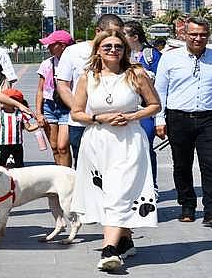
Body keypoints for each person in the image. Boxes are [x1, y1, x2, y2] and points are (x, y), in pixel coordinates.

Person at [70, 29, 160, 272]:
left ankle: (109, 249)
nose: (113, 50)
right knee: (108, 193)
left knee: (120, 192)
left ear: (125, 50)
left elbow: (154, 105)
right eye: (107, 46)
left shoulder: (136, 74)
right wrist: (99, 118)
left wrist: (132, 116)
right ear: (98, 49)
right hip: (98, 142)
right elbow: (76, 113)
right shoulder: (87, 77)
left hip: (129, 141)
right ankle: (126, 240)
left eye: (118, 46)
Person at [154, 16, 212, 226]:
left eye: (203, 34)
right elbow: (160, 91)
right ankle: (187, 206)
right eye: (194, 34)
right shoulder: (169, 58)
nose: (198, 38)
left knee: (211, 165)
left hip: (210, 118)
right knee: (182, 165)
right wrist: (159, 119)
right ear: (184, 34)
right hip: (178, 117)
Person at [56, 14, 124, 166]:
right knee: (84, 168)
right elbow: (63, 86)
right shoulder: (73, 52)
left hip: (113, 122)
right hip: (82, 124)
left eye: (119, 35)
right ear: (98, 31)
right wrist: (79, 110)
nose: (114, 39)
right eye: (110, 33)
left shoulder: (119, 52)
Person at [123, 20, 162, 186]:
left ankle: (150, 185)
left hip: (146, 109)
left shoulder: (151, 55)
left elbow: (162, 82)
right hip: (126, 107)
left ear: (135, 37)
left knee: (145, 146)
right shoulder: (120, 55)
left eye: (124, 34)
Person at [35, 30, 73, 167]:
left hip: (67, 106)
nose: (48, 48)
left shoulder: (74, 63)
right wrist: (39, 113)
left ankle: (68, 178)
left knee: (63, 147)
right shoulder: (47, 64)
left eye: (51, 45)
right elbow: (40, 90)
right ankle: (59, 177)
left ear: (62, 45)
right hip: (49, 106)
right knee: (55, 147)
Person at [0, 88, 38, 168]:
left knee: (19, 165)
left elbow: (29, 128)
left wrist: (39, 125)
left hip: (17, 145)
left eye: (4, 99)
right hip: (3, 145)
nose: (1, 101)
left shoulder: (20, 114)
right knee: (0, 165)